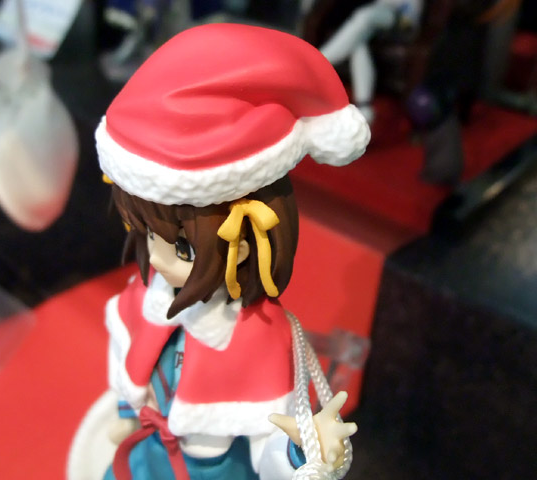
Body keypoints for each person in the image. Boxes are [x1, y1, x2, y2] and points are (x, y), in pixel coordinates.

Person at [68, 23, 370, 480]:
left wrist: (303, 451)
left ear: (248, 243)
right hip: (147, 455)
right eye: (149, 235)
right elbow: (128, 361)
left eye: (182, 248)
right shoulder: (148, 296)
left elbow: (269, 446)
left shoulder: (261, 337)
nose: (159, 260)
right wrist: (128, 413)